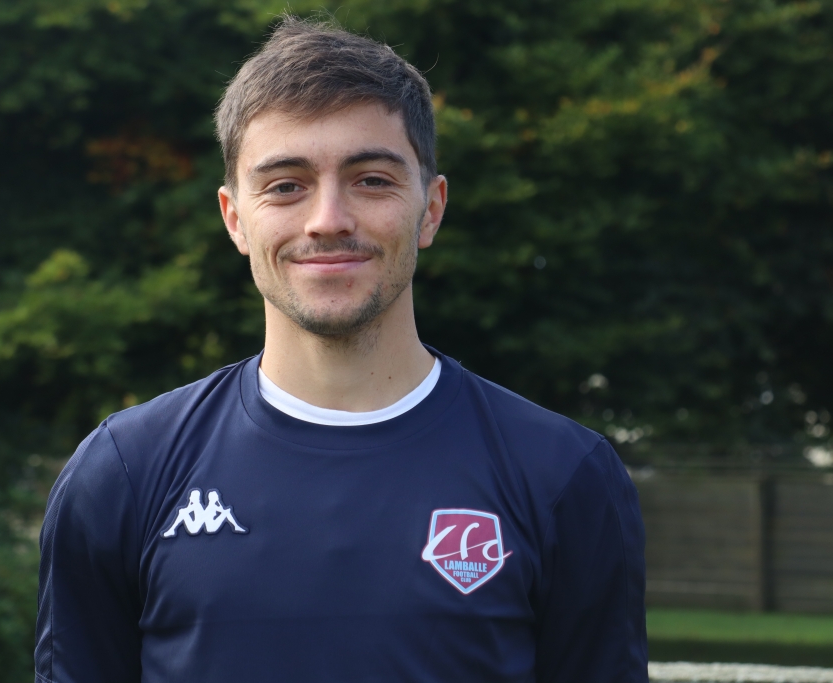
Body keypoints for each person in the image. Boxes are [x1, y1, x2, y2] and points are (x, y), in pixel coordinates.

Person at [35, 15, 648, 683]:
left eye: (372, 179)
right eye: (285, 185)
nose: (328, 219)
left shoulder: (562, 475)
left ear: (431, 208)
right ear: (235, 218)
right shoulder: (124, 473)